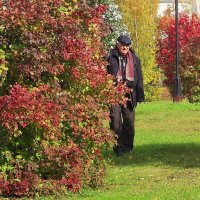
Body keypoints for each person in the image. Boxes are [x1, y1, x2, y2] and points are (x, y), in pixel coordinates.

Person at [107, 35, 144, 156]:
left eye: (127, 45)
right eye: (123, 45)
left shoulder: (135, 59)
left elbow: (139, 78)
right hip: (114, 93)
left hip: (129, 93)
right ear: (118, 44)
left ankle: (128, 147)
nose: (125, 47)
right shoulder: (109, 56)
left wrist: (140, 95)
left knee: (129, 121)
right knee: (115, 121)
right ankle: (118, 148)